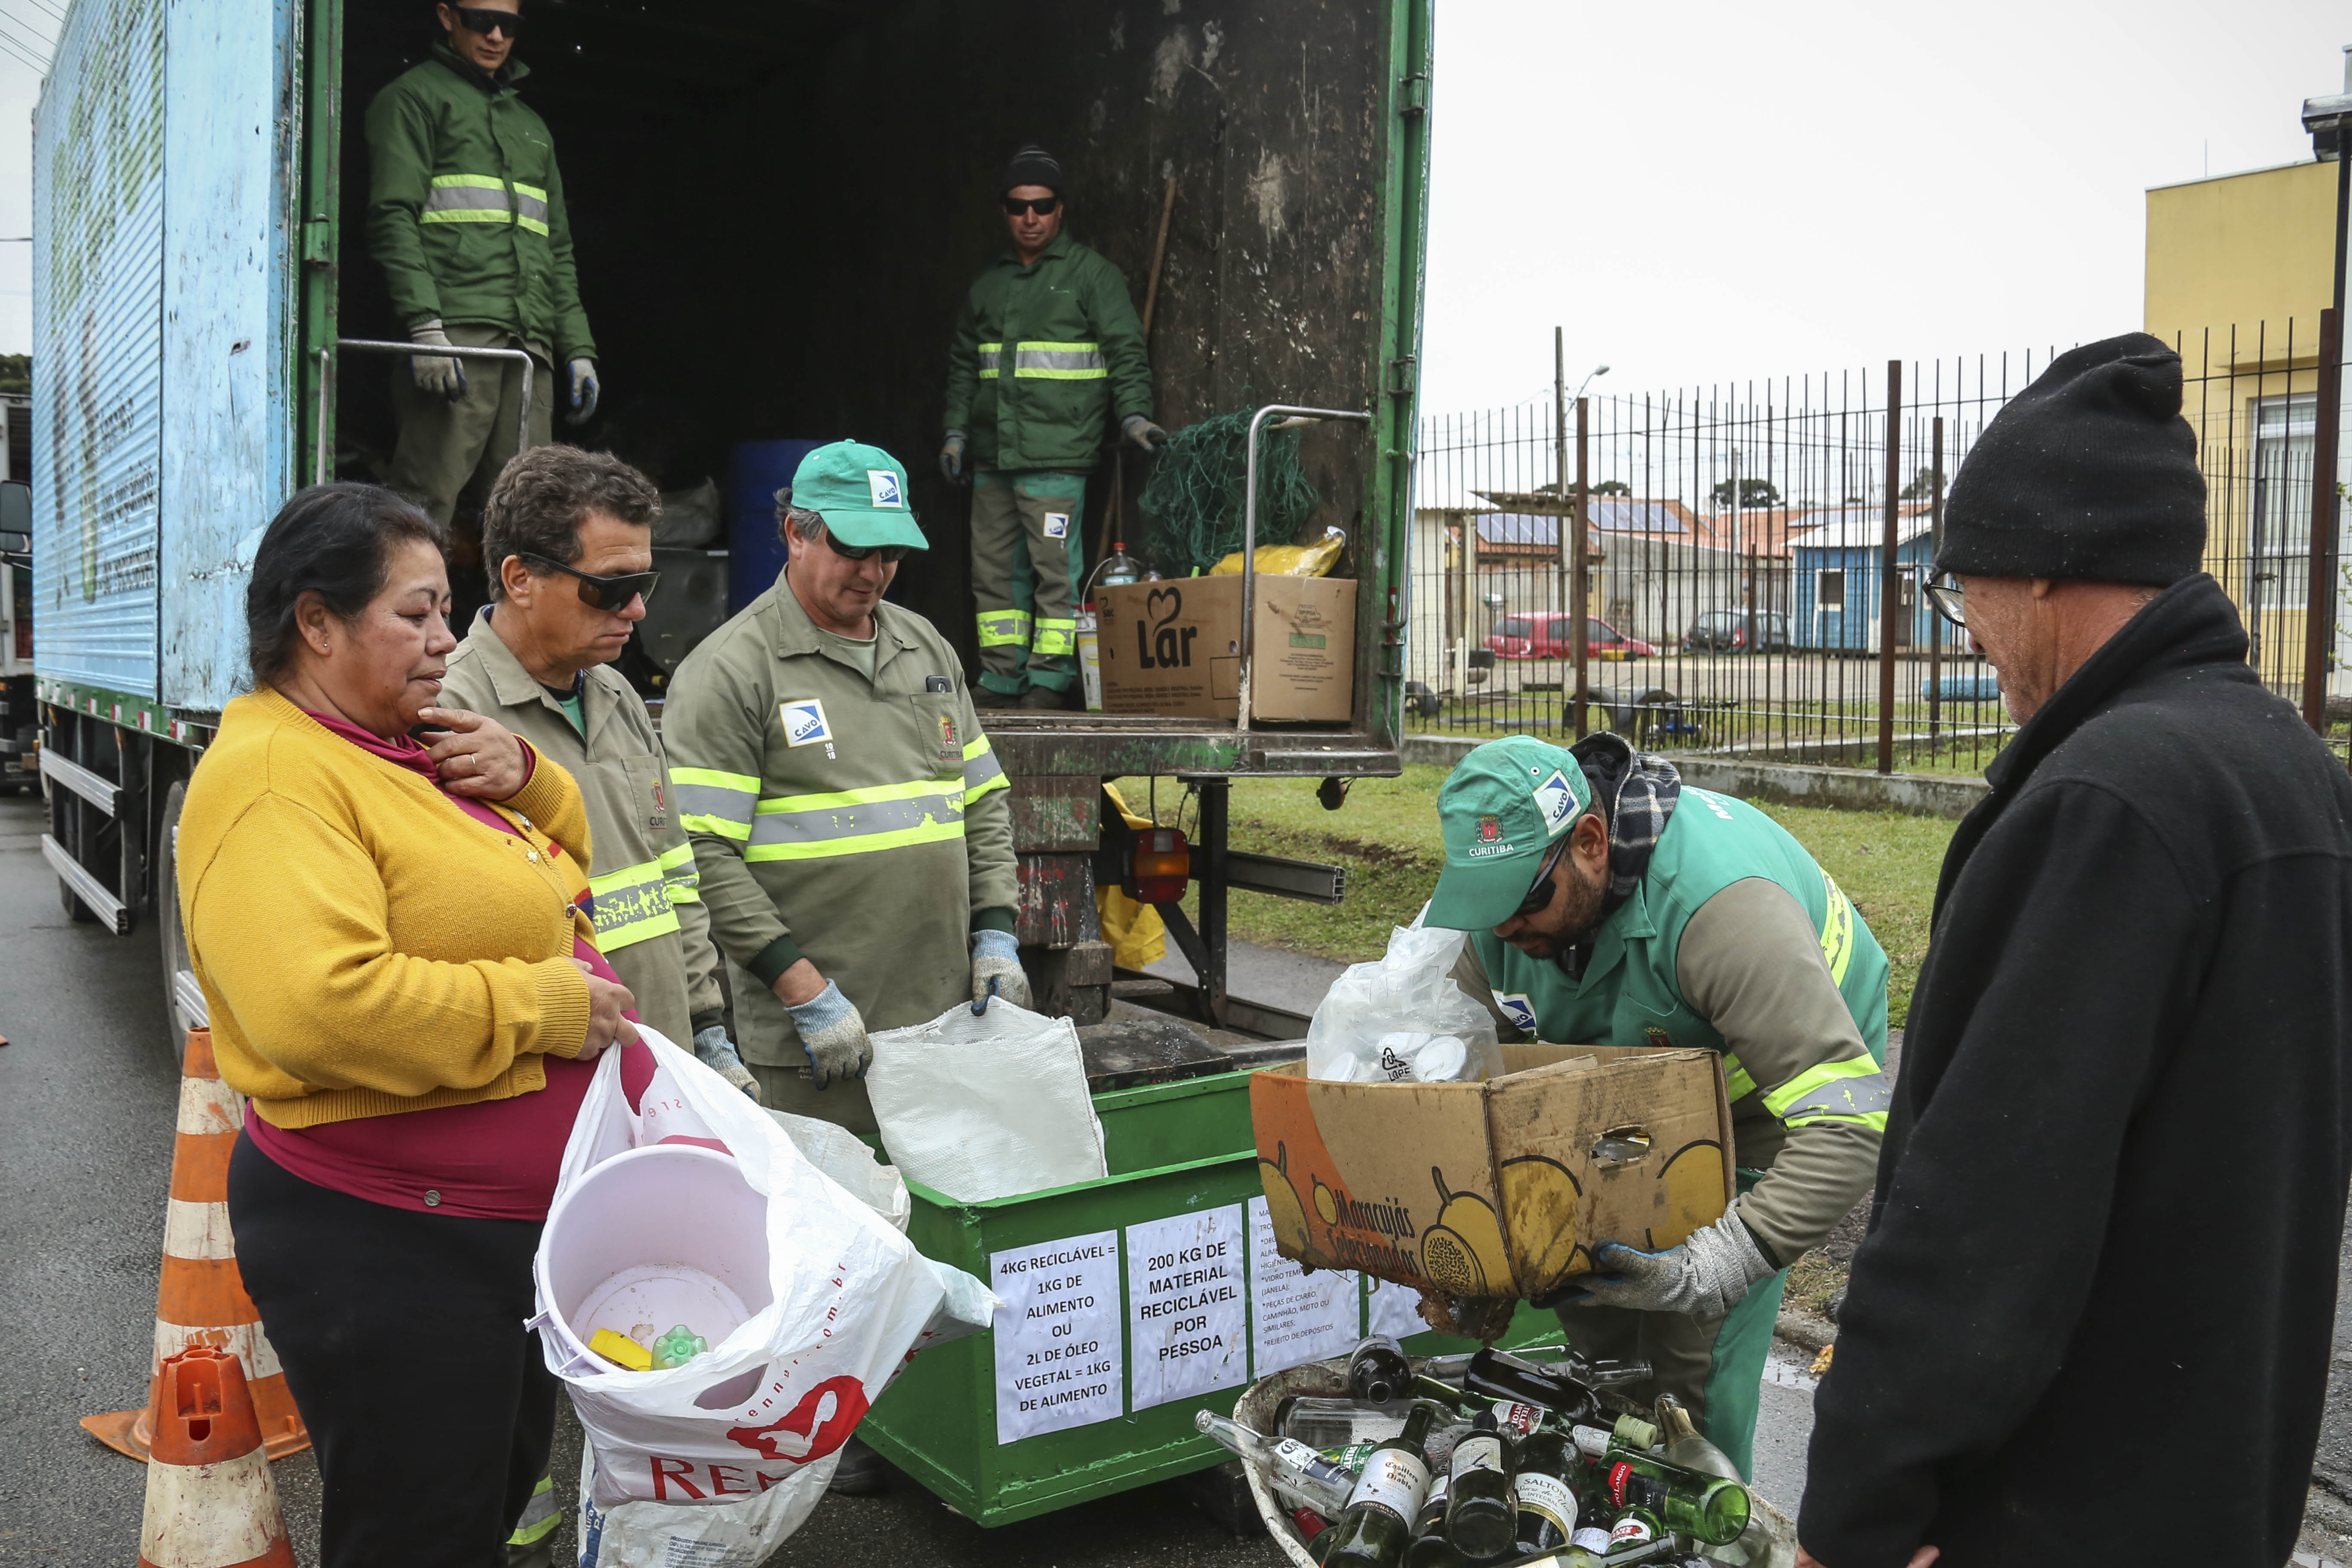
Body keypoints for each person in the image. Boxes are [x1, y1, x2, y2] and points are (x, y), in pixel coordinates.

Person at [1798, 335, 2352, 1566]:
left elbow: (1985, 1219)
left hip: (2053, 1512)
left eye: (1962, 592)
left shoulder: (2106, 801)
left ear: (2042, 569)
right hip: (2218, 1483)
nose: (1968, 634)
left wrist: (1859, 1514)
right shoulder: (2295, 773)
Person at [182, 483, 640, 1568]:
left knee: (473, 1506)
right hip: (385, 1239)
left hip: (484, 1237)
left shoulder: (397, 741)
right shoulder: (272, 777)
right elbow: (315, 1007)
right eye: (417, 614)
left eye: (447, 611)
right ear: (316, 622)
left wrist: (533, 781)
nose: (445, 642)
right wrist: (542, 1009)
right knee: (417, 1535)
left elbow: (545, 883)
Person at [661, 440, 1021, 1489]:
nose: (871, 574)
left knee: (922, 1218)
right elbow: (704, 855)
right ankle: (820, 1424)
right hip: (815, 1029)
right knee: (818, 1233)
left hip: (934, 1020)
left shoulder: (922, 651)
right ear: (794, 531)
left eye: (889, 555)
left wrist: (994, 932)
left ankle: (914, 1413)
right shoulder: (731, 671)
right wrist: (799, 987)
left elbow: (980, 801)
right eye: (852, 550)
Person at [1423, 731, 1891, 1479]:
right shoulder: (1509, 913)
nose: (1506, 929)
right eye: (1488, 908)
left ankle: (1702, 1527)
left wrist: (1719, 1261)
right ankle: (1609, 1493)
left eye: (1524, 902)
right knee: (1589, 1297)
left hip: (1770, 1091)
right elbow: (1467, 1084)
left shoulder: (1723, 916)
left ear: (1590, 842)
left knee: (1688, 1345)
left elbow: (1850, 1125)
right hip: (1633, 1083)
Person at [440, 444, 756, 1093]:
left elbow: (675, 875)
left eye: (644, 585)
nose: (636, 611)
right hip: (551, 1078)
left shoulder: (618, 700)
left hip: (659, 1057)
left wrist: (708, 1030)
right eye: (610, 588)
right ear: (521, 578)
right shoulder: (448, 714)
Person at [940, 144, 1163, 709]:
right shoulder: (987, 286)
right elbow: (965, 366)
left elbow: (1125, 352)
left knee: (1054, 577)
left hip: (1058, 457)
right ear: (1005, 212)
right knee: (993, 578)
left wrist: (1134, 414)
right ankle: (1001, 676)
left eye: (1041, 205)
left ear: (1060, 209)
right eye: (1018, 207)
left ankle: (1049, 680)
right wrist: (955, 433)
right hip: (993, 459)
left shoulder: (1092, 277)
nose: (1030, 217)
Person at [367, 0, 600, 537]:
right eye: (480, 21)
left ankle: (513, 625)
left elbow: (556, 248)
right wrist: (426, 327)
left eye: (511, 25)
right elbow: (391, 217)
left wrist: (579, 349)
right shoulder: (412, 100)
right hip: (458, 336)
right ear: (447, 16)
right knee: (422, 505)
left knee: (534, 516)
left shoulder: (531, 127)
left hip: (530, 346)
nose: (496, 35)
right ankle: (412, 620)